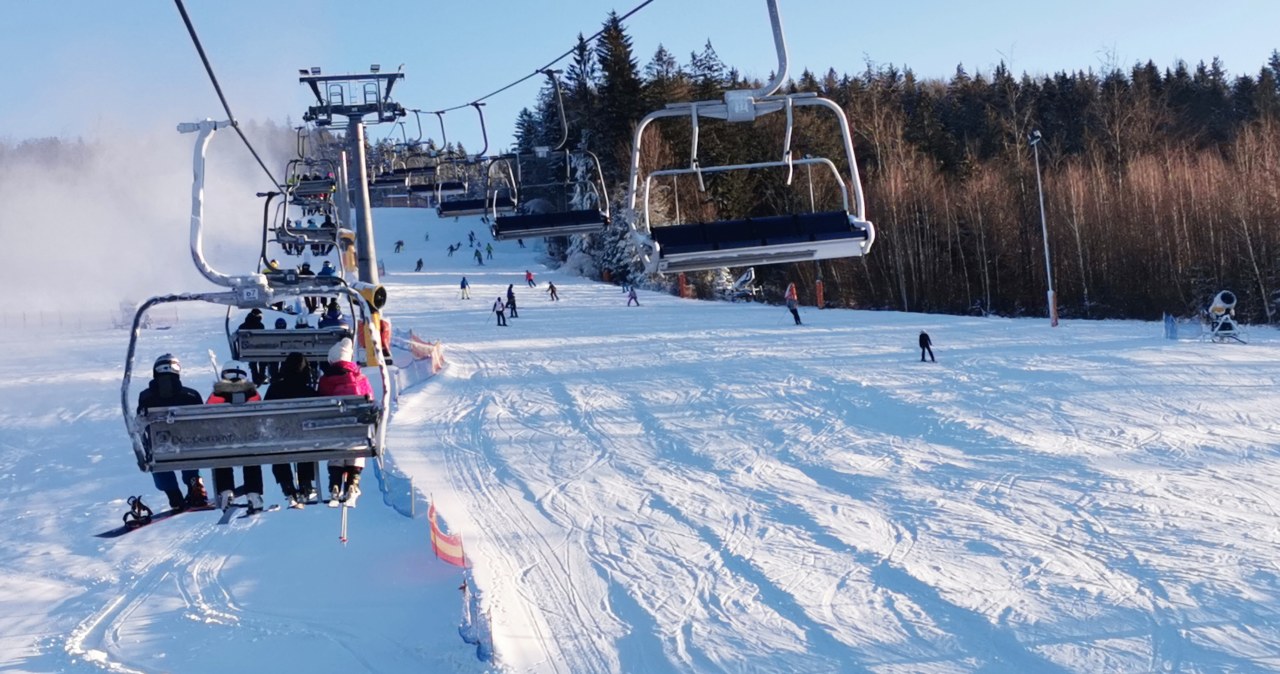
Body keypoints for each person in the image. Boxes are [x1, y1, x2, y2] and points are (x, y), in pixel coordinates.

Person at [137, 354, 207, 511]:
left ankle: (173, 495)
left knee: (156, 453)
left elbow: (141, 423)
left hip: (160, 448)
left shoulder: (145, 396)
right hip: (190, 448)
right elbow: (202, 424)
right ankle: (194, 484)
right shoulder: (191, 395)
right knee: (189, 445)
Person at [318, 338, 373, 506]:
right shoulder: (360, 378)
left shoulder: (326, 380)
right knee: (357, 446)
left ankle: (335, 484)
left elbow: (320, 400)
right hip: (356, 429)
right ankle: (353, 483)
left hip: (333, 429)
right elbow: (370, 399)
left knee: (337, 446)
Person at [206, 365, 265, 513]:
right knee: (252, 455)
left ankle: (226, 492)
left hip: (225, 441)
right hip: (249, 440)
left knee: (221, 454)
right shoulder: (253, 395)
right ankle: (254, 493)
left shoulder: (216, 396)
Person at [265, 352, 318, 507]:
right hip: (304, 437)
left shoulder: (274, 389)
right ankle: (305, 483)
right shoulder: (309, 391)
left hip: (281, 436)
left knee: (277, 446)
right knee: (307, 441)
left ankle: (287, 485)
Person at [236, 309, 270, 385]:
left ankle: (256, 378)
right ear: (258, 316)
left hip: (246, 351)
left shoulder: (242, 326)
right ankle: (261, 375)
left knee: (253, 358)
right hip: (259, 351)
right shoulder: (260, 325)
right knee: (262, 356)